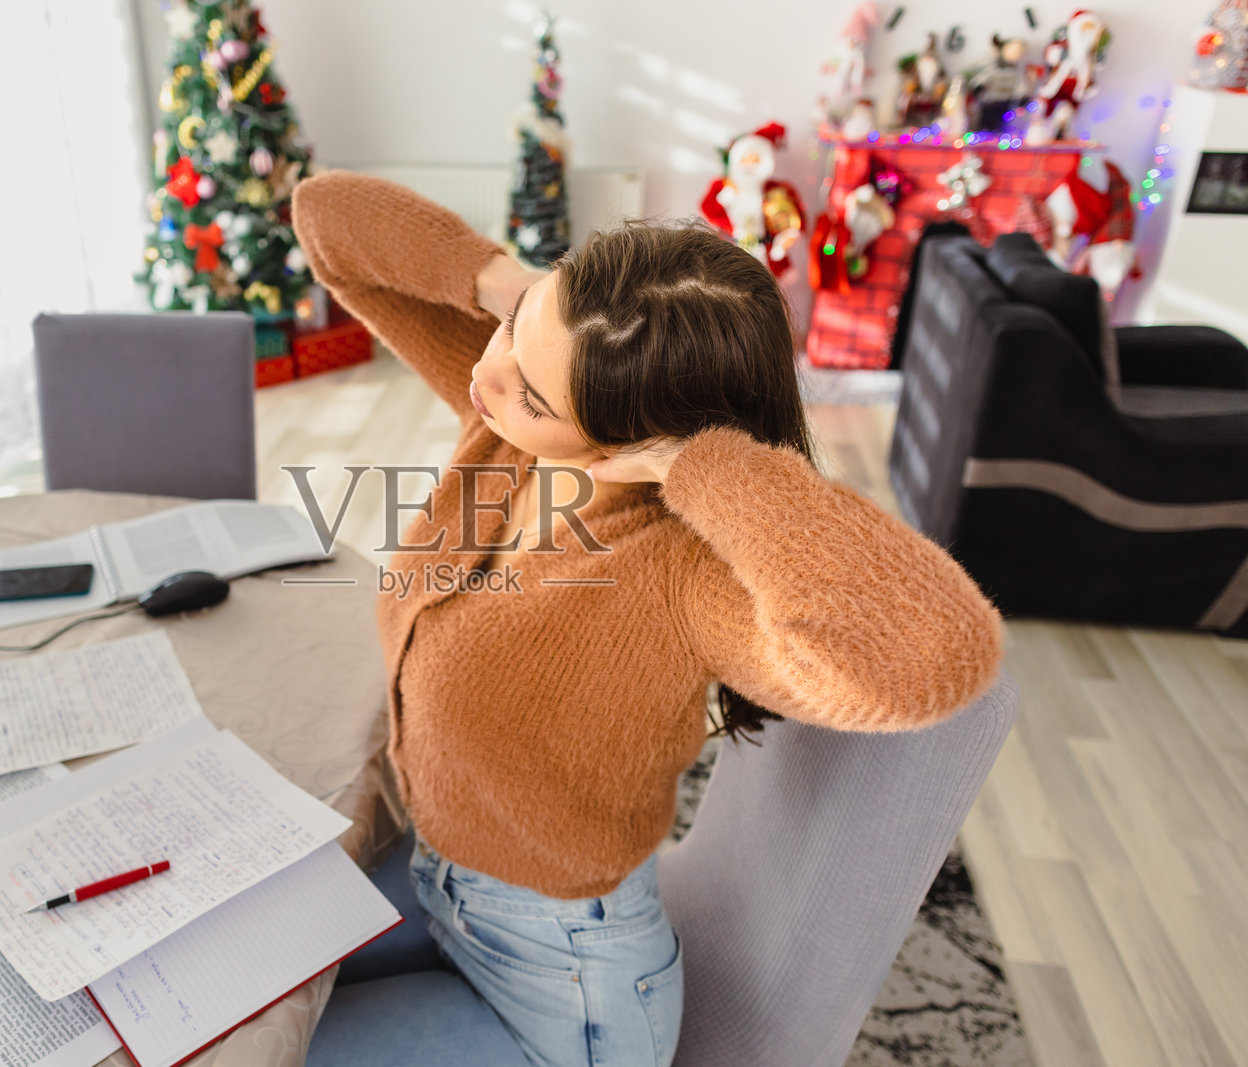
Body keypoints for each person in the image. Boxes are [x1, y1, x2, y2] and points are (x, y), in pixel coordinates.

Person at [289, 171, 1004, 1067]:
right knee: (223, 993)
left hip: (562, 992)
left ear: (633, 442)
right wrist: (522, 297)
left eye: (533, 389)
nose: (484, 371)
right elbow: (328, 220)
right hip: (445, 881)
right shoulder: (514, 417)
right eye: (512, 336)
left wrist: (705, 465)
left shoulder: (682, 573)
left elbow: (939, 656)